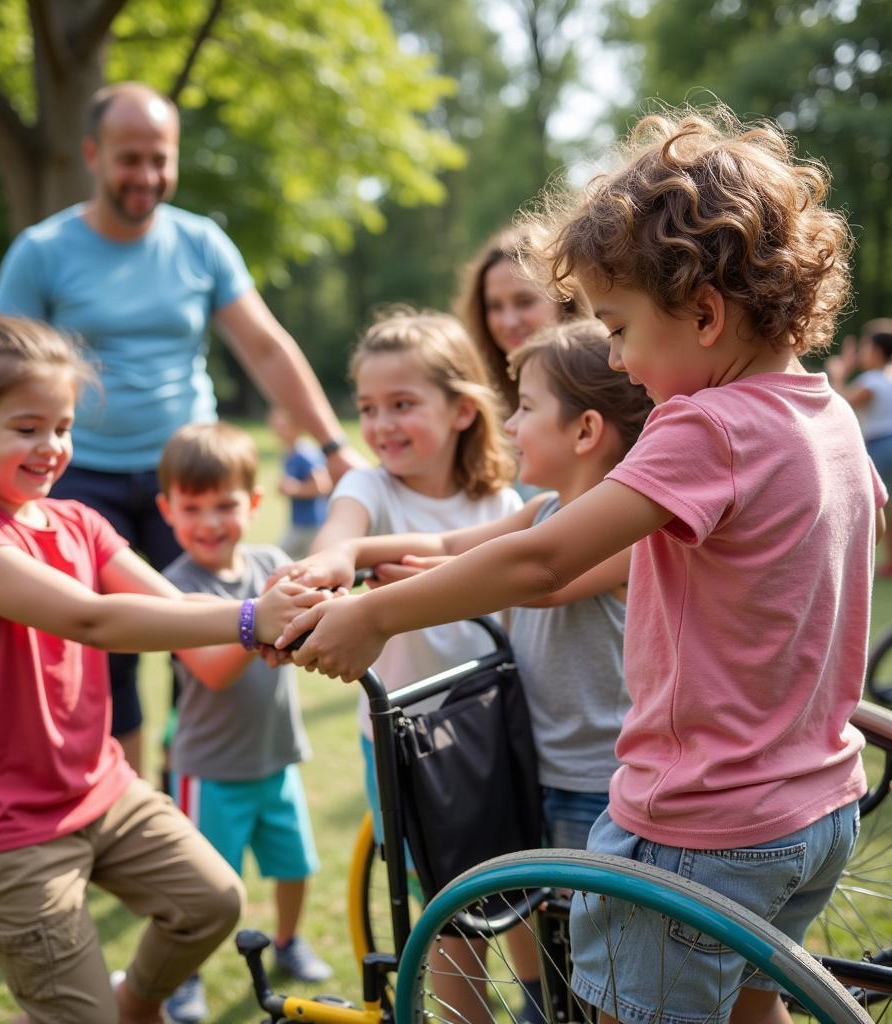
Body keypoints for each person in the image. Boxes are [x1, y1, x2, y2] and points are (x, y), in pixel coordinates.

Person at [278, 106, 882, 1024]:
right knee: (756, 1010)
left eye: (621, 327)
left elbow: (545, 558)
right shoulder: (828, 416)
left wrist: (375, 616)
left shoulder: (707, 426)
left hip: (699, 826)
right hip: (815, 810)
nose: (616, 357)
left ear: (706, 314)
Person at [0, 303, 328, 1024]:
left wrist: (292, 612)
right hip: (9, 827)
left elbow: (175, 606)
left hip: (101, 791)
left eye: (61, 427)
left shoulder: (81, 521)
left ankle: (137, 1002)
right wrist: (248, 619)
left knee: (210, 901)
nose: (52, 446)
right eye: (26, 428)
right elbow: (92, 618)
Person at [280, 319, 652, 1021]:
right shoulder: (544, 508)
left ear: (585, 431)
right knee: (550, 936)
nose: (513, 422)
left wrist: (395, 597)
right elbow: (449, 542)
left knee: (592, 958)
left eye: (529, 407)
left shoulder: (623, 526)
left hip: (598, 781)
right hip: (538, 766)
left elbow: (535, 579)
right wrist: (346, 557)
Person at [0, 81, 361, 776]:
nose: (148, 176)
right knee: (110, 657)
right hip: (80, 479)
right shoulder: (42, 252)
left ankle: (187, 793)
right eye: (131, 159)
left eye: (161, 159)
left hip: (188, 479)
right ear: (93, 155)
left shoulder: (201, 244)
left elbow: (267, 347)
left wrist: (334, 448)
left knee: (210, 642)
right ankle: (124, 800)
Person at [276, 307, 521, 833]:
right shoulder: (368, 488)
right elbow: (339, 538)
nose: (381, 426)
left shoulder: (499, 505)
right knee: (425, 874)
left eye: (402, 404)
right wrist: (323, 569)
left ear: (462, 410)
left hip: (486, 721)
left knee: (498, 870)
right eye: (368, 408)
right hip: (399, 732)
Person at [154, 422, 332, 1023]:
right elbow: (214, 671)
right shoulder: (174, 588)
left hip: (276, 757)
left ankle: (286, 942)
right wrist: (260, 619)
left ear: (253, 504)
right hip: (209, 772)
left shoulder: (271, 564)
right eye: (192, 506)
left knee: (295, 866)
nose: (210, 521)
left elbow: (307, 623)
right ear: (167, 510)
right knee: (202, 889)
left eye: (225, 504)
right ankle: (184, 976)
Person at [454, 224, 591, 409]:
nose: (509, 321)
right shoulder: (474, 399)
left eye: (525, 302)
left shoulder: (608, 381)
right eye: (495, 306)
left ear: (564, 299)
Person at [826, 318, 892, 574]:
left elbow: (839, 404)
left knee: (863, 504)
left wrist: (839, 374)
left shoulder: (872, 381)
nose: (861, 352)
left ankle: (850, 559)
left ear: (876, 352)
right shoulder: (887, 378)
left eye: (865, 347)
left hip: (878, 446)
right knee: (886, 506)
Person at [268, 406, 332, 560]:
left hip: (310, 523)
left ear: (296, 427)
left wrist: (295, 489)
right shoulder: (289, 451)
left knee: (278, 559)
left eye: (282, 426)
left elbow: (323, 485)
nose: (277, 430)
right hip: (298, 521)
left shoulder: (305, 453)